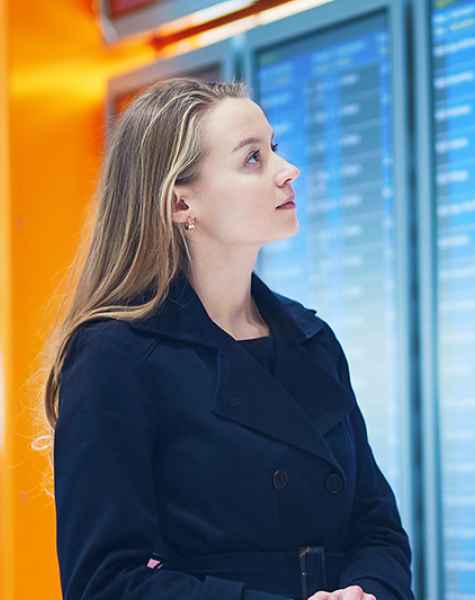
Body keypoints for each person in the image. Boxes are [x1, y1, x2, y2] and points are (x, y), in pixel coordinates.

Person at [39, 77, 413, 600]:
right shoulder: (112, 356)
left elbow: (379, 530)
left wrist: (369, 591)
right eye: (253, 159)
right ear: (180, 205)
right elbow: (106, 582)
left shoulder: (313, 340)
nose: (288, 171)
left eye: (274, 148)